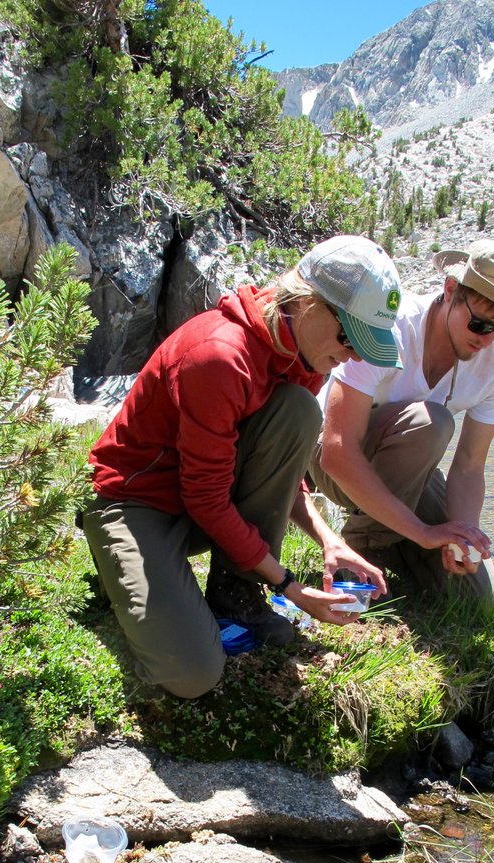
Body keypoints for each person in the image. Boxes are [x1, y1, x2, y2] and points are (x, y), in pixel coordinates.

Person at [81, 235, 399, 699]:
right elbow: (206, 498)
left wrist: (330, 541)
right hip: (135, 503)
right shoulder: (220, 356)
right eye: (350, 337)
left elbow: (277, 471)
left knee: (299, 411)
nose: (353, 355)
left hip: (199, 500)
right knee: (193, 674)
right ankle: (119, 557)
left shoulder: (306, 353)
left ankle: (236, 597)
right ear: (310, 303)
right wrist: (292, 589)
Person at [309, 239, 494, 600]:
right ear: (451, 289)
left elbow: (470, 468)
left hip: (409, 472)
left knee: (477, 596)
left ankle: (393, 537)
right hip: (326, 459)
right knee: (433, 423)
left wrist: (463, 539)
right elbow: (337, 448)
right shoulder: (391, 329)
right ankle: (364, 546)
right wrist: (423, 533)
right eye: (478, 324)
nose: (487, 341)